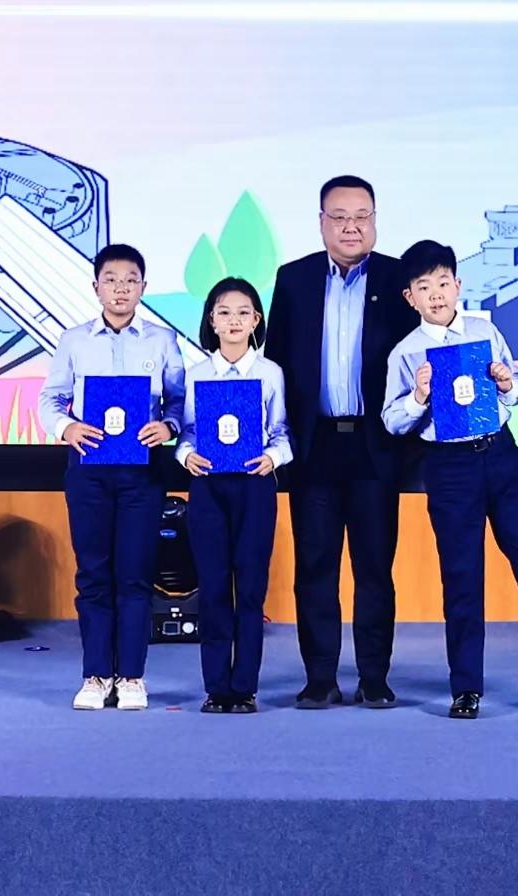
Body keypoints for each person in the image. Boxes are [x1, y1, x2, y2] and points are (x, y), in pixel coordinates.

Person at [380, 238, 518, 720]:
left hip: (501, 458)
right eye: (424, 286)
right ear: (410, 297)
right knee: (462, 580)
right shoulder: (406, 353)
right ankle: (466, 687)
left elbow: (516, 391)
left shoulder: (484, 331)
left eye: (443, 282)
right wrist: (419, 397)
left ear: (458, 284)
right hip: (449, 468)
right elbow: (392, 421)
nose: (436, 294)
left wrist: (507, 382)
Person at [266, 175, 412, 708]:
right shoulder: (294, 279)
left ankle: (374, 676)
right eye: (340, 216)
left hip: (374, 445)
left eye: (362, 216)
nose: (352, 226)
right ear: (322, 222)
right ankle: (320, 677)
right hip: (316, 446)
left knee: (375, 568)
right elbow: (276, 362)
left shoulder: (399, 280)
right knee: (315, 567)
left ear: (375, 220)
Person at [37, 242, 187, 711]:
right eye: (111, 280)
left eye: (130, 281)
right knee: (94, 574)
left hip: (143, 472)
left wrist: (169, 426)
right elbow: (50, 399)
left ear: (143, 287)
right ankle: (96, 675)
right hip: (89, 470)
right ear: (96, 287)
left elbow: (180, 401)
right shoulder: (74, 340)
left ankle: (132, 677)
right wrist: (66, 427)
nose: (121, 289)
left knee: (136, 575)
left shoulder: (162, 340)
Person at [177, 277, 291, 713]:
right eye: (224, 312)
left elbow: (282, 431)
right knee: (212, 588)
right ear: (211, 320)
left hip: (254, 486)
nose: (234, 320)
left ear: (256, 320)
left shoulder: (270, 373)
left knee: (250, 589)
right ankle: (216, 687)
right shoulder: (196, 375)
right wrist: (185, 454)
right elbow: (186, 431)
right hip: (208, 486)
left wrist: (273, 458)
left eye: (244, 312)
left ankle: (244, 688)